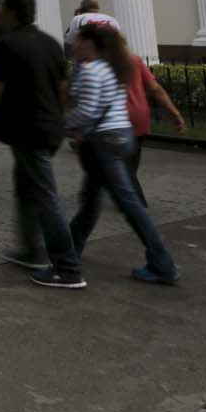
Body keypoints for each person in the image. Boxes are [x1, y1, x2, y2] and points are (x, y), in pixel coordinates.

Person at [0, 0, 84, 289]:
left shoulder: (8, 45)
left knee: (44, 195)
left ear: (13, 12)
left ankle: (67, 266)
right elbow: (62, 88)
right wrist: (58, 119)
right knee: (26, 187)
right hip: (46, 129)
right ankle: (30, 249)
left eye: (1, 6)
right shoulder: (50, 43)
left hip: (30, 132)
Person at [66, 24, 179, 285]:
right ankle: (69, 250)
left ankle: (163, 263)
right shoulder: (112, 67)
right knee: (91, 198)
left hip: (104, 141)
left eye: (79, 40)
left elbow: (90, 111)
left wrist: (65, 127)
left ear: (90, 43)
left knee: (128, 204)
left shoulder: (93, 69)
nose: (74, 44)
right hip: (120, 136)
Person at [123, 48, 184, 204]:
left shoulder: (98, 64)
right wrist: (175, 112)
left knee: (122, 168)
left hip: (118, 120)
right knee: (130, 162)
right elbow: (155, 89)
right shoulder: (134, 59)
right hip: (140, 117)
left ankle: (136, 204)